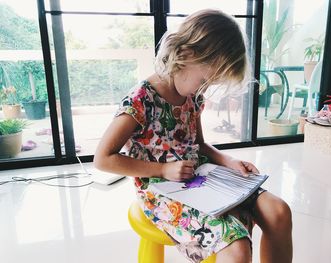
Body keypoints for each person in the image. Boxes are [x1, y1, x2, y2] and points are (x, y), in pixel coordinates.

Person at [94, 9, 292, 263]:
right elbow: (103, 159)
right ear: (185, 55)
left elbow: (199, 145)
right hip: (159, 190)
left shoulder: (192, 97)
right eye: (205, 80)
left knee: (279, 212)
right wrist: (163, 171)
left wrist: (228, 161)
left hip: (201, 177)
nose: (205, 89)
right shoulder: (141, 100)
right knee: (237, 249)